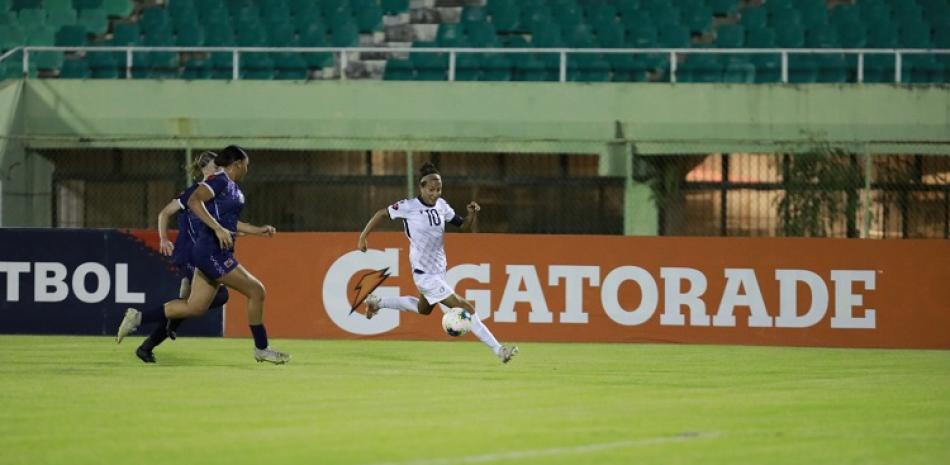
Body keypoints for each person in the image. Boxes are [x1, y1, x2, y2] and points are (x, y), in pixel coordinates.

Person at [116, 145, 290, 364]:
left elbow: (229, 222)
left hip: (211, 251)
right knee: (256, 291)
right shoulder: (220, 181)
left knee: (195, 306)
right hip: (211, 251)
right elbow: (193, 201)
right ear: (237, 164)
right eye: (246, 164)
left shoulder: (231, 187)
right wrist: (217, 228)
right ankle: (261, 348)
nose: (248, 168)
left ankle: (138, 318)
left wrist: (257, 230)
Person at [357, 162, 518, 364]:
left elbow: (463, 227)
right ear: (422, 188)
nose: (435, 193)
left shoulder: (442, 206)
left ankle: (377, 303)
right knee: (464, 307)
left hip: (439, 271)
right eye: (431, 189)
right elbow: (381, 213)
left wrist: (472, 213)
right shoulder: (409, 207)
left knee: (424, 309)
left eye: (439, 189)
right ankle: (499, 350)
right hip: (424, 274)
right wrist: (363, 237)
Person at [134, 151, 230, 363]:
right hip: (191, 254)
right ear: (206, 169)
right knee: (214, 297)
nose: (220, 170)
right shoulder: (194, 193)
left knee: (190, 302)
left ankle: (150, 343)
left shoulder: (212, 195)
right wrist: (163, 238)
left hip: (198, 254)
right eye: (217, 166)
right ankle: (152, 325)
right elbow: (164, 213)